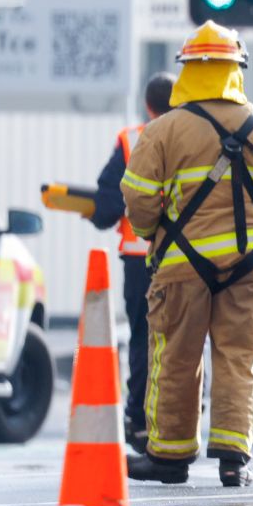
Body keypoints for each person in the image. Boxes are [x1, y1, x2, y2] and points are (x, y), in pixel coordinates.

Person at [121, 20, 253, 487]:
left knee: (175, 358)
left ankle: (169, 457)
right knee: (240, 357)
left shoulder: (162, 130)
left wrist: (152, 231)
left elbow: (139, 201)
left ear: (188, 71)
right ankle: (233, 457)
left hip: (180, 265)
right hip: (250, 267)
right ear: (236, 71)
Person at [89, 72, 175, 456]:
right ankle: (179, 420)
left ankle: (139, 422)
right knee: (182, 340)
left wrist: (98, 214)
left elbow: (106, 205)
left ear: (147, 105)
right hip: (187, 257)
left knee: (142, 338)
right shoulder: (195, 135)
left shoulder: (130, 139)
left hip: (140, 258)